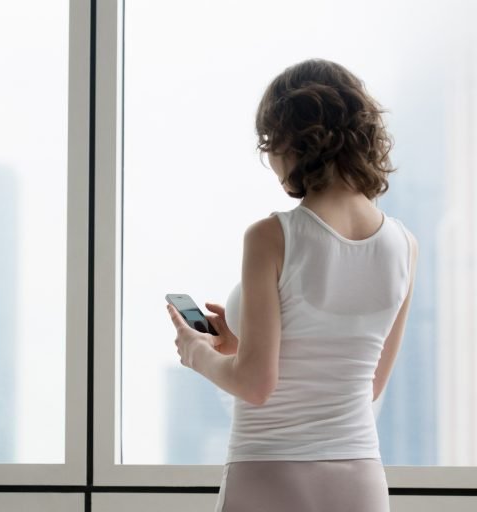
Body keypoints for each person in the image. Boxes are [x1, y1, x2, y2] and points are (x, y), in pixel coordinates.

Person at [167, 58, 418, 512]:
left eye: (270, 145)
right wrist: (238, 346)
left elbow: (256, 385)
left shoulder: (271, 236)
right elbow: (366, 385)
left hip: (270, 473)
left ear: (291, 141)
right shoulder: (405, 245)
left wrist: (197, 353)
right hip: (361, 479)